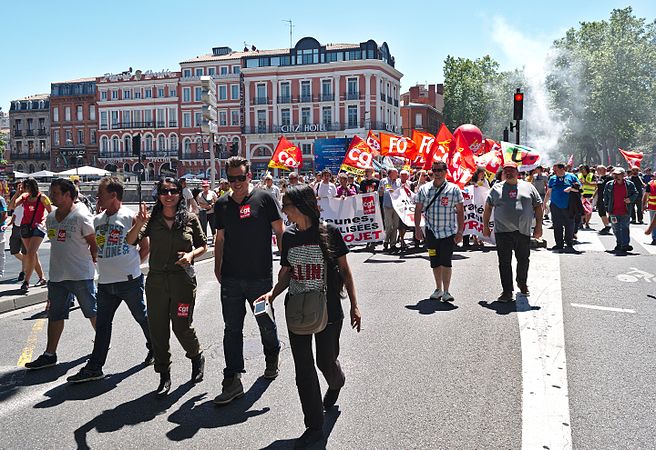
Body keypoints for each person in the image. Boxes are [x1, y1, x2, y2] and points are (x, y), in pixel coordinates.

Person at [256, 185, 362, 448]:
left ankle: (337, 382)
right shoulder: (288, 237)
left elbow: (346, 272)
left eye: (287, 205)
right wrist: (272, 294)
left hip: (329, 310)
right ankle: (314, 426)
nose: (284, 210)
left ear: (301, 205)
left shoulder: (329, 232)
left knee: (326, 362)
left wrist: (355, 306)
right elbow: (287, 272)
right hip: (297, 308)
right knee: (303, 369)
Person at [66, 177, 154, 383]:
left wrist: (132, 264)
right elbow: (95, 246)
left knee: (142, 317)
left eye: (101, 194)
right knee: (103, 324)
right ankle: (95, 367)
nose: (98, 197)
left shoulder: (129, 217)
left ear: (114, 195)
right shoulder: (97, 220)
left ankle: (155, 348)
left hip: (129, 281)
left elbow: (146, 246)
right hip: (105, 282)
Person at [127, 177, 207, 396]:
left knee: (181, 326)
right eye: (164, 191)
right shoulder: (152, 219)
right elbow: (130, 241)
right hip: (157, 282)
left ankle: (196, 356)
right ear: (158, 194)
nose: (169, 195)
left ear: (180, 194)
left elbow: (203, 246)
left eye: (173, 191)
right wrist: (139, 224)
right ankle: (164, 375)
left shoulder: (190, 218)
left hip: (182, 281)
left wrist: (190, 255)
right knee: (158, 329)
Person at [213, 156, 284, 405]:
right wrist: (217, 266)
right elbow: (219, 239)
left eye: (241, 178)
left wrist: (286, 263)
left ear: (249, 175)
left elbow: (279, 231)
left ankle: (272, 354)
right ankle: (232, 380)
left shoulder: (265, 198)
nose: (237, 183)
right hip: (231, 278)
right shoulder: (221, 204)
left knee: (265, 322)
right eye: (232, 179)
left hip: (260, 277)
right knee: (232, 329)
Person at [24, 178, 97, 370]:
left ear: (67, 194)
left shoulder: (82, 215)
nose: (51, 195)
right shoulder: (51, 218)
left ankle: (102, 342)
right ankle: (50, 354)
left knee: (92, 311)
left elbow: (94, 244)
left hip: (80, 274)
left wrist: (96, 265)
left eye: (55, 192)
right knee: (55, 315)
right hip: (57, 276)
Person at [482, 162, 543, 302]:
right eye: (506, 171)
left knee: (523, 260)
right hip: (502, 232)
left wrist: (539, 226)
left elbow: (538, 207)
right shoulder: (496, 189)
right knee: (504, 262)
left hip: (523, 231)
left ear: (517, 172)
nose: (509, 173)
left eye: (512, 170)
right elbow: (488, 208)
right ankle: (507, 291)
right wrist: (485, 226)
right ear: (503, 172)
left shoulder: (528, 187)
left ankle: (522, 282)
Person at [414, 161, 465, 302]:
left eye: (440, 170)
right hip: (431, 233)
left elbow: (460, 211)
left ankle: (447, 291)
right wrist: (417, 228)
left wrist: (460, 231)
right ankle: (438, 289)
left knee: (446, 261)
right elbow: (418, 209)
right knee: (434, 261)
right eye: (434, 170)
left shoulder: (453, 189)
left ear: (445, 172)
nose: (437, 173)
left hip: (448, 233)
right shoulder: (424, 189)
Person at [8, 178, 52, 293]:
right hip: (26, 228)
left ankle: (26, 281)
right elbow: (11, 207)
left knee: (30, 253)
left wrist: (44, 222)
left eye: (25, 187)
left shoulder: (42, 197)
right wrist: (17, 192)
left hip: (38, 228)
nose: (24, 189)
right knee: (33, 254)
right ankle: (42, 278)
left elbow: (50, 212)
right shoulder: (24, 197)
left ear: (30, 186)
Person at [603, 167, 639, 254]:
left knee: (624, 228)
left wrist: (630, 199)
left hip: (625, 211)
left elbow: (636, 193)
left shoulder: (629, 184)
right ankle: (619, 243)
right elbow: (605, 196)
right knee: (615, 228)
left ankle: (625, 244)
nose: (616, 176)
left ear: (623, 175)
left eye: (618, 174)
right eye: (615, 174)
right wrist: (606, 207)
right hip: (613, 211)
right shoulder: (609, 184)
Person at [544, 163, 578, 252]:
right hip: (555, 205)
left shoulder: (571, 177)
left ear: (562, 169)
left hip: (569, 205)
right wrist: (544, 203)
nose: (554, 171)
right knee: (557, 225)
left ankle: (569, 242)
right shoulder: (552, 178)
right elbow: (549, 191)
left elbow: (578, 188)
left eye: (556, 170)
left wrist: (570, 189)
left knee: (569, 224)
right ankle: (559, 243)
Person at [379, 168, 402, 252]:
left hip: (397, 206)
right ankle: (386, 240)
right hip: (387, 206)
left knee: (395, 226)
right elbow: (381, 194)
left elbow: (400, 192)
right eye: (396, 173)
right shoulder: (384, 181)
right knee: (389, 225)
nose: (397, 174)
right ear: (390, 174)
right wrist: (381, 190)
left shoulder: (398, 182)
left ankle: (393, 244)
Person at [8, 203, 28, 281]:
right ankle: (29, 262)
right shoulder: (17, 202)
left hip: (25, 228)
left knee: (25, 252)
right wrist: (9, 223)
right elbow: (14, 213)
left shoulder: (29, 201)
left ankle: (23, 272)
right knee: (14, 251)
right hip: (16, 228)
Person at [596, 165, 613, 235]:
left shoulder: (609, 178)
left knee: (610, 212)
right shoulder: (599, 178)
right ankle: (607, 226)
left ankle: (613, 226)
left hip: (607, 197)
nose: (597, 171)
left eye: (599, 169)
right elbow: (598, 188)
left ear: (604, 170)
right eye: (597, 169)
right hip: (600, 197)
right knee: (601, 212)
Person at [642, 174, 656, 245]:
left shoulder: (651, 184)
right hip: (652, 207)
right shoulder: (650, 184)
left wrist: (643, 205)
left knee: (653, 223)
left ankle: (655, 239)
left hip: (653, 207)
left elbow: (645, 195)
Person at [0, 195, 6, 278]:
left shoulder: (0, 199)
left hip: (0, 230)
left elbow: (4, 215)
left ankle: (0, 273)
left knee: (0, 253)